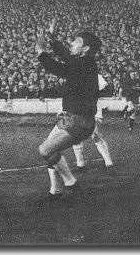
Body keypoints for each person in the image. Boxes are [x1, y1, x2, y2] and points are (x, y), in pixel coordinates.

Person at [36, 20, 102, 198]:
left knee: (45, 150)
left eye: (76, 41)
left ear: (85, 48)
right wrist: (49, 42)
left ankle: (70, 182)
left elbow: (61, 61)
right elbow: (62, 61)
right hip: (74, 119)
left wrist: (42, 51)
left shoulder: (84, 63)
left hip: (77, 121)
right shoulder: (83, 64)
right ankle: (55, 189)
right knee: (49, 150)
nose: (72, 43)